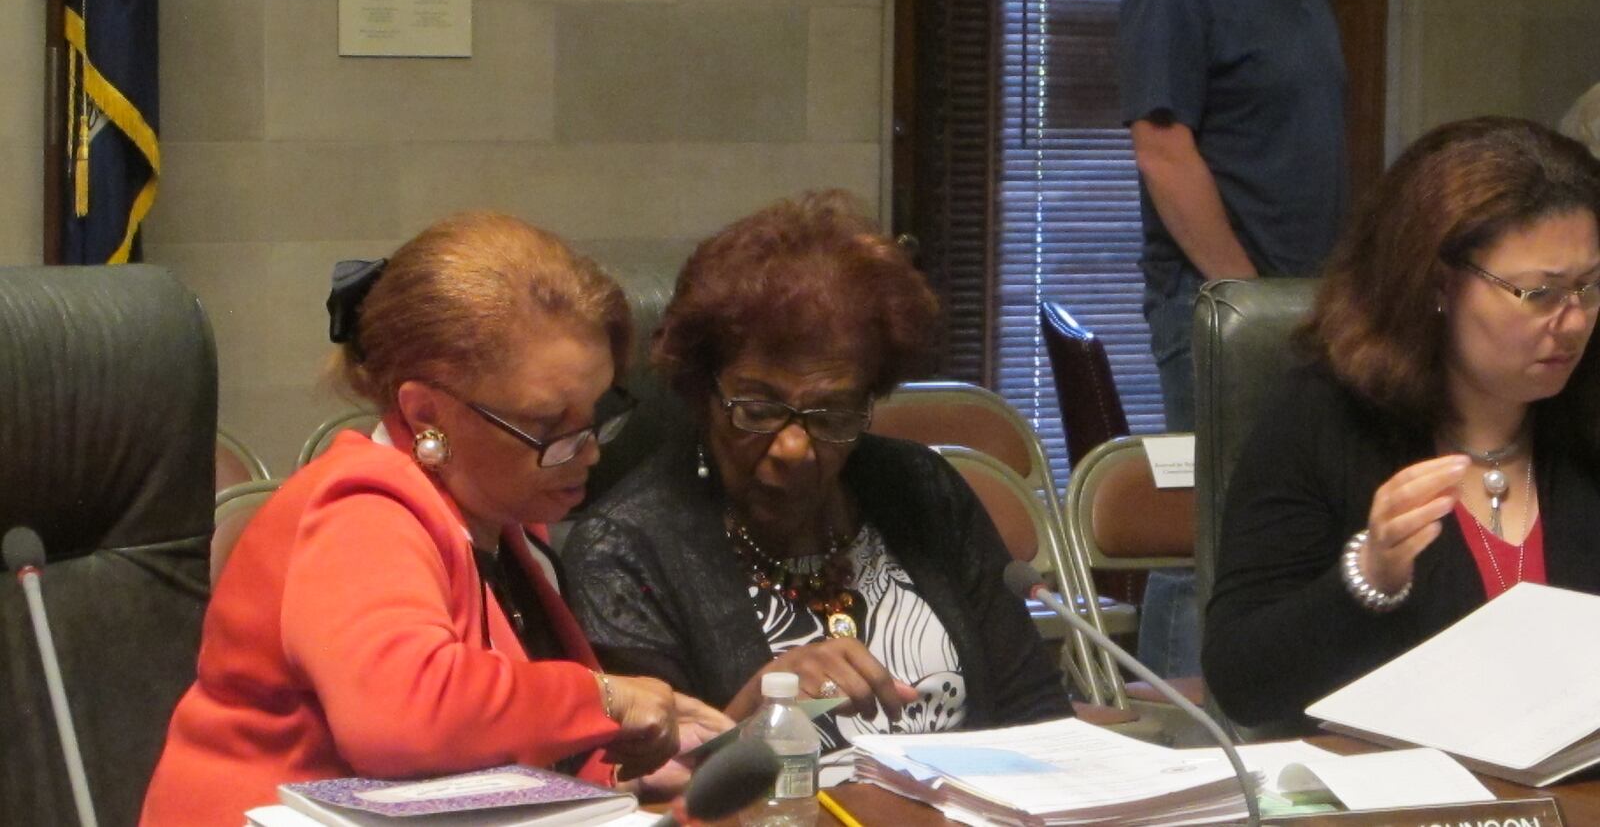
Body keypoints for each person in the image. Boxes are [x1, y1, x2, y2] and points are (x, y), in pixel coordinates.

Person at [141, 212, 729, 824]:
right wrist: (605, 697)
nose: (590, 451)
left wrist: (622, 761)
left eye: (597, 411)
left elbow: (489, 742)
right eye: (547, 426)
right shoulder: (362, 510)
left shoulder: (502, 519)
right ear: (426, 414)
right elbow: (400, 718)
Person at [564, 191, 1073, 784]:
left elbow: (1038, 719)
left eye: (831, 413)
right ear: (703, 390)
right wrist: (750, 717)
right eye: (758, 408)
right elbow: (639, 795)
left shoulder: (920, 488)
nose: (794, 448)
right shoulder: (624, 549)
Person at [1203, 117, 1600, 730]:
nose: (1572, 322)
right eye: (1541, 293)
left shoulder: (1585, 416)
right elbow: (1243, 685)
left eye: (1589, 288)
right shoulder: (1324, 415)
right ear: (1439, 283)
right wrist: (1369, 577)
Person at [1117, 0, 1349, 680]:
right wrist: (1249, 299)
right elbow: (1161, 147)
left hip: (1305, 308)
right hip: (1223, 312)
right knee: (1203, 543)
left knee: (1284, 532)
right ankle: (1184, 744)